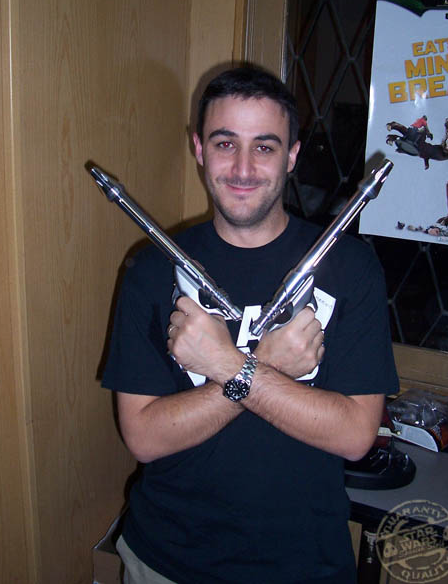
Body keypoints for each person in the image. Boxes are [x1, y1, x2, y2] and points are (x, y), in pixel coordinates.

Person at [102, 65, 399, 584]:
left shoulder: (352, 268)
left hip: (305, 565)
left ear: (292, 155)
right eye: (225, 144)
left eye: (264, 146)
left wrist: (228, 364)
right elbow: (144, 438)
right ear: (199, 149)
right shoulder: (150, 271)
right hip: (165, 562)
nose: (243, 168)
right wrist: (264, 367)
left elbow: (355, 435)